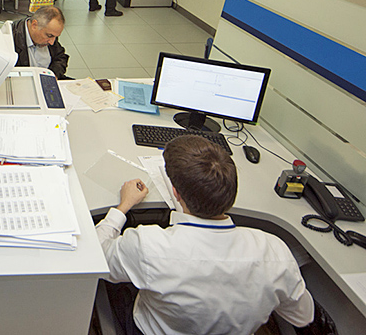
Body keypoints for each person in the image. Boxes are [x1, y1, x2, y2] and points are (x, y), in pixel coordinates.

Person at [95, 134, 314, 335]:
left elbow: (97, 257)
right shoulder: (275, 252)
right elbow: (303, 316)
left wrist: (123, 206)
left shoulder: (148, 245)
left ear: (176, 192)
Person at [10, 6, 69, 79]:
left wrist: (54, 74)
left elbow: (60, 57)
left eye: (55, 37)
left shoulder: (49, 33)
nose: (52, 43)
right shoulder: (12, 39)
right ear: (34, 25)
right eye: (49, 36)